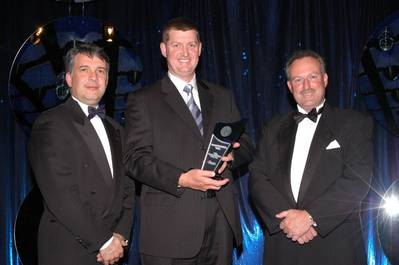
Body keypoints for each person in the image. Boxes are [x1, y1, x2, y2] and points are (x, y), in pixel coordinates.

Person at [124, 17, 253, 265]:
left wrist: (233, 156)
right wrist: (182, 179)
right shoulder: (143, 100)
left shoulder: (222, 96)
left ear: (200, 49)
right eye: (176, 45)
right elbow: (134, 159)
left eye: (191, 45)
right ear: (164, 50)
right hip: (169, 232)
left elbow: (246, 143)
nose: (185, 53)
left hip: (220, 227)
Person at [249, 49, 373, 265]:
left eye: (312, 77)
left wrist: (310, 217)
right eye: (298, 79)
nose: (306, 86)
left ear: (325, 79)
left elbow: (357, 179)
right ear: (290, 86)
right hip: (283, 244)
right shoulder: (272, 127)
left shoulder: (354, 123)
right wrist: (289, 222)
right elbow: (257, 177)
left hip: (336, 247)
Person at [28, 43, 135, 265]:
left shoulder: (117, 129)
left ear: (107, 80)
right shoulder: (49, 123)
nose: (93, 78)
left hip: (113, 251)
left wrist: (119, 235)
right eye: (84, 69)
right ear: (69, 79)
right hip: (67, 250)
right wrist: (103, 241)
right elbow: (60, 194)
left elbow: (128, 187)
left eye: (101, 71)